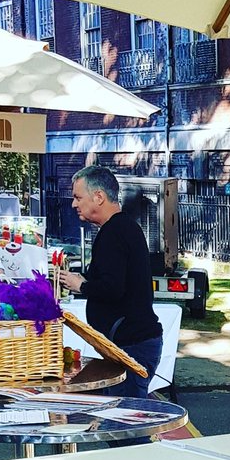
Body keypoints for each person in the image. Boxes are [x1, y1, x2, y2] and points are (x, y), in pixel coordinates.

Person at [57, 166, 162, 398]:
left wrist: (81, 285)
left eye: (77, 197)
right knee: (119, 420)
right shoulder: (120, 228)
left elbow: (113, 288)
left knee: (125, 423)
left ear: (99, 197)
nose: (74, 204)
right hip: (129, 343)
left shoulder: (114, 232)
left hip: (131, 345)